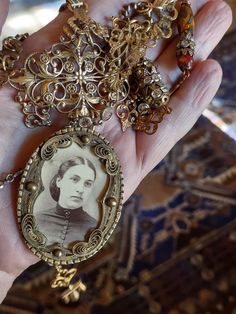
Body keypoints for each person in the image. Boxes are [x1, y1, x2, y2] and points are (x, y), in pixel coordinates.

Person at [0, 0, 233, 303]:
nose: (81, 189)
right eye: (76, 180)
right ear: (55, 181)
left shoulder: (83, 223)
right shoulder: (44, 217)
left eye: (87, 183)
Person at [35, 157, 98, 246]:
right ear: (59, 181)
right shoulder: (37, 219)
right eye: (74, 179)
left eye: (87, 184)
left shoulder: (95, 227)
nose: (80, 189)